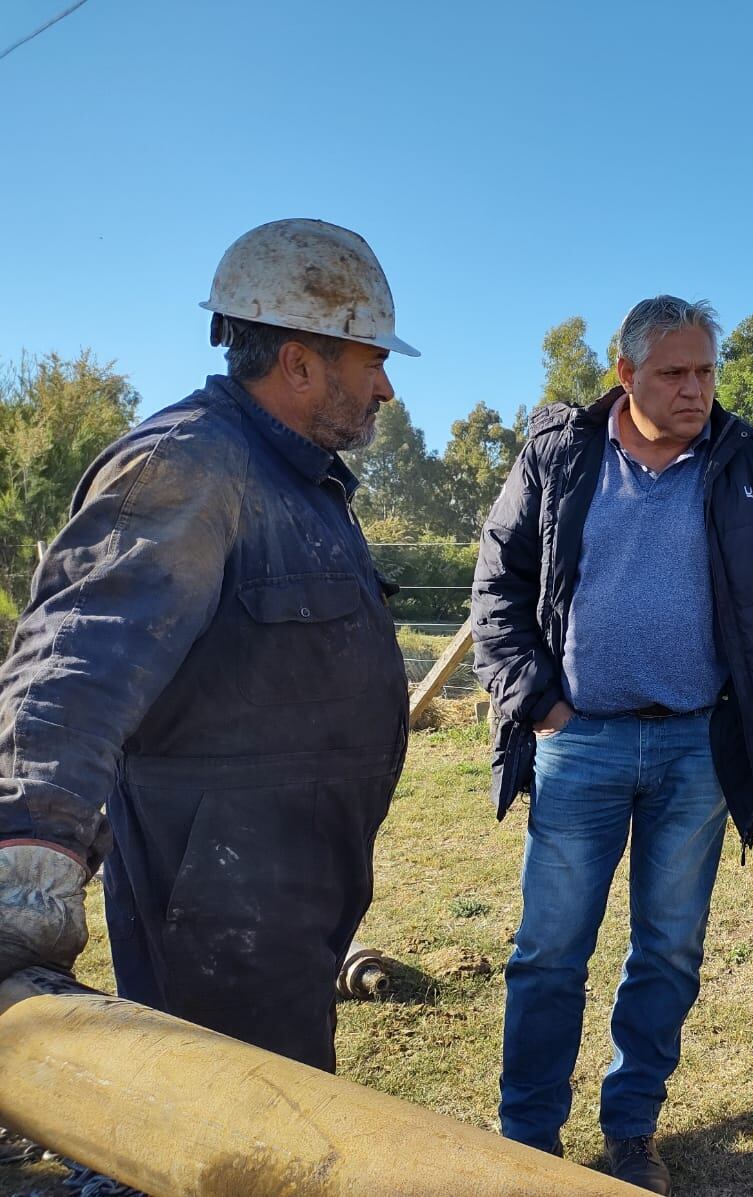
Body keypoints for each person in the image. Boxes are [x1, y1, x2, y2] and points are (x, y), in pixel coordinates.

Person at [0, 218, 417, 1071]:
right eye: (372, 359)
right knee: (245, 1129)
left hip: (289, 891)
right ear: (300, 361)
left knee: (290, 1106)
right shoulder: (189, 466)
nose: (385, 389)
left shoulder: (304, 484)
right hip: (216, 903)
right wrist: (28, 852)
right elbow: (76, 658)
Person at [472, 294, 753, 1193]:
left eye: (705, 371)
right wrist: (539, 705)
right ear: (624, 375)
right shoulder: (559, 457)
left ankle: (631, 1128)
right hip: (578, 743)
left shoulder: (747, 467)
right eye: (674, 372)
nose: (695, 389)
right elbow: (496, 591)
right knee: (549, 951)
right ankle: (529, 1140)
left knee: (668, 950)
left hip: (697, 750)